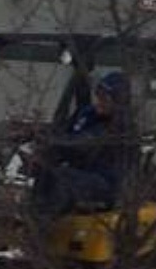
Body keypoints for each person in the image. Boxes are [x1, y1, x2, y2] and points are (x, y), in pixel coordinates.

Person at [31, 70, 132, 217]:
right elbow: (63, 133)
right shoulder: (87, 114)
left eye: (106, 98)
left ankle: (43, 224)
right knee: (45, 171)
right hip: (80, 173)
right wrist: (40, 144)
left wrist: (53, 142)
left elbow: (81, 144)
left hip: (104, 182)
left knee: (62, 176)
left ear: (118, 101)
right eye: (99, 96)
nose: (100, 102)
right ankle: (31, 216)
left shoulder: (120, 126)